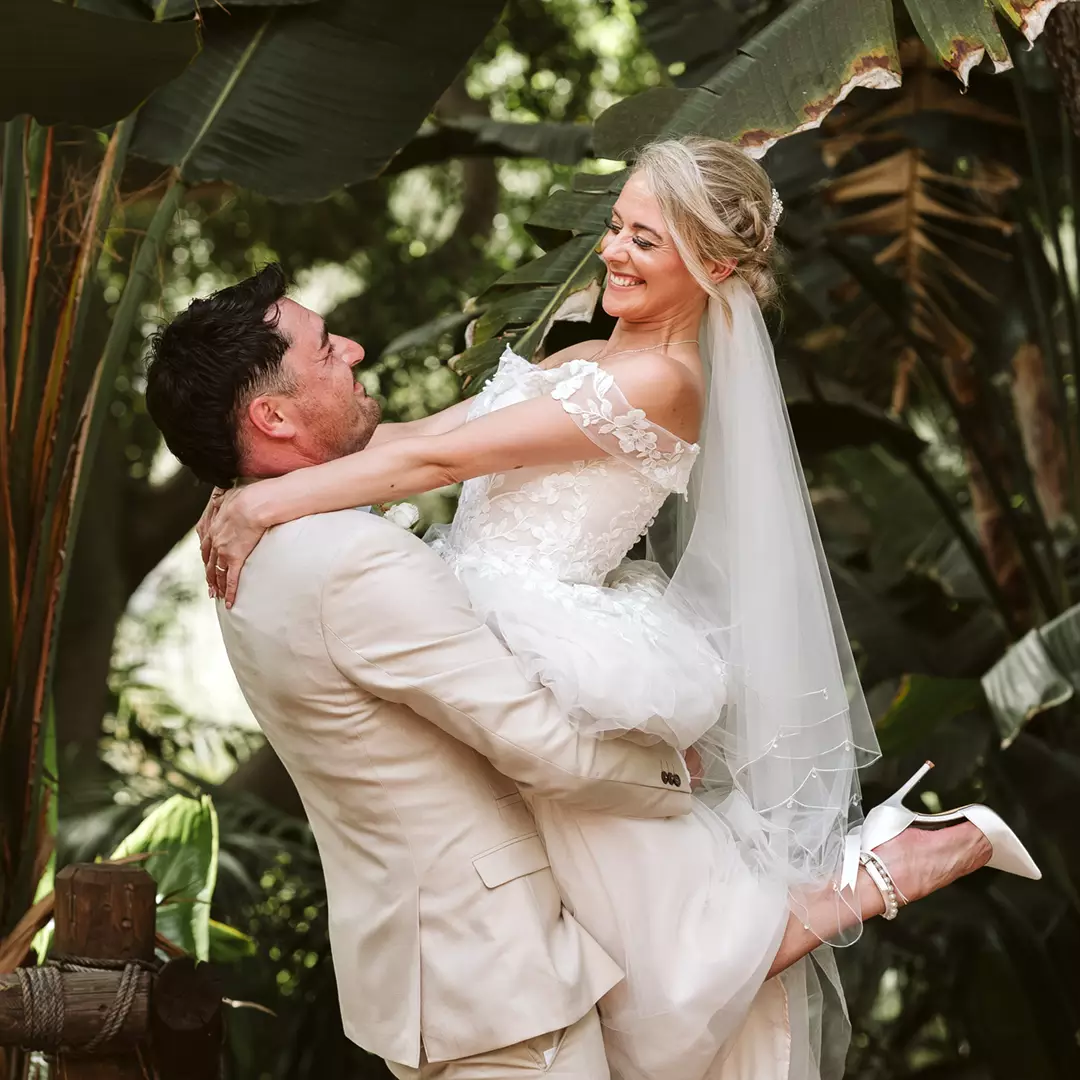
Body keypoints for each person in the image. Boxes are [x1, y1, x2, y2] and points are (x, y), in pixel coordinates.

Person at [152, 136, 1040, 1080]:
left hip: (553, 642)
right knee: (629, 946)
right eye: (617, 226)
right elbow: (416, 432)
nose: (613, 250)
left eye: (646, 241)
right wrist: (235, 487)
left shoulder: (663, 381)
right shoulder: (584, 354)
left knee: (659, 962)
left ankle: (878, 875)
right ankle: (864, 874)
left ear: (717, 267)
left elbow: (439, 465)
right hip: (492, 615)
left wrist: (265, 499)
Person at [145, 263, 698, 1080]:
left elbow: (429, 444)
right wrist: (678, 772)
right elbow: (549, 747)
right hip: (497, 988)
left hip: (425, 972)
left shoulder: (250, 544)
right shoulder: (354, 559)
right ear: (272, 414)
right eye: (328, 349)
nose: (356, 350)